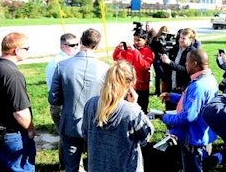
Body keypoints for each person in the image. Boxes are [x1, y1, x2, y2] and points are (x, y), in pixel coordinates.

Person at [48, 28, 109, 172]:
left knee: (72, 166)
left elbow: (53, 98)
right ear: (97, 45)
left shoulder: (62, 66)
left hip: (71, 121)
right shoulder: (106, 69)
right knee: (97, 163)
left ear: (81, 41)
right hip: (97, 122)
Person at [82, 60, 154, 172]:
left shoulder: (90, 104)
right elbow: (146, 135)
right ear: (130, 85)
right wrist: (135, 105)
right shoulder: (131, 111)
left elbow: (85, 134)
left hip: (97, 166)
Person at [158, 49, 218, 172]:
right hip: (203, 135)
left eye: (187, 62)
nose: (185, 64)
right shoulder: (210, 79)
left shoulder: (198, 85)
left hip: (194, 139)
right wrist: (172, 96)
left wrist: (164, 117)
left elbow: (188, 116)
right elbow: (196, 103)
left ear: (195, 64)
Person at [0, 32, 36, 172]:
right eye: (27, 49)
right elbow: (20, 112)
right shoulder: (12, 74)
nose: (28, 52)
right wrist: (30, 129)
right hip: (11, 136)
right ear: (17, 50)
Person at [45, 32, 79, 170]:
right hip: (61, 105)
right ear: (62, 46)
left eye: (77, 44)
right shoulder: (59, 63)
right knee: (69, 138)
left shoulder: (67, 60)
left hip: (65, 104)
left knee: (65, 137)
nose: (76, 48)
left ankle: (64, 164)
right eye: (72, 45)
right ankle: (72, 166)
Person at [112, 29, 154, 114]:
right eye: (134, 39)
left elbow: (145, 66)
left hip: (141, 86)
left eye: (138, 40)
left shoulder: (149, 52)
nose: (136, 42)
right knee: (126, 108)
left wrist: (135, 51)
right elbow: (117, 58)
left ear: (145, 40)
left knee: (141, 109)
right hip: (127, 85)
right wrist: (118, 49)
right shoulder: (129, 50)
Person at [160, 28, 197, 110]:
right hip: (171, 87)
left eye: (184, 38)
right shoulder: (176, 49)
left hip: (183, 89)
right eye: (180, 37)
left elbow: (187, 71)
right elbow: (168, 68)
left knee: (180, 114)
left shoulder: (193, 52)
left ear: (191, 39)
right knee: (169, 113)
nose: (180, 40)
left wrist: (170, 62)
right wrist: (163, 60)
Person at [149, 25, 170, 96]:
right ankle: (158, 91)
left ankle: (159, 91)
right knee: (158, 75)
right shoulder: (156, 39)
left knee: (161, 76)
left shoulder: (167, 39)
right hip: (158, 59)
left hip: (163, 59)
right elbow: (153, 48)